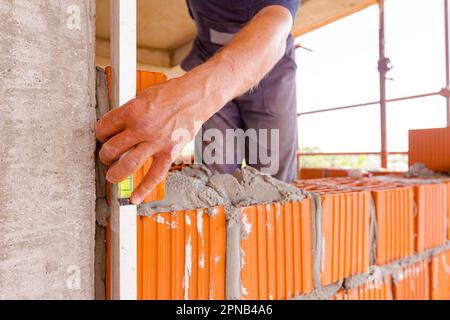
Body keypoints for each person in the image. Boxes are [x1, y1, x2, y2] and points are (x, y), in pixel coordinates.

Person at [96, 0, 301, 205]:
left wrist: (187, 101)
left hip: (270, 68)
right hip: (208, 57)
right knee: (215, 175)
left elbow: (275, 26)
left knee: (273, 182)